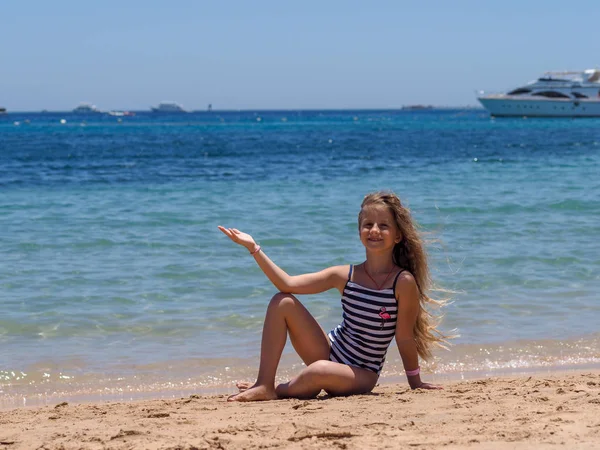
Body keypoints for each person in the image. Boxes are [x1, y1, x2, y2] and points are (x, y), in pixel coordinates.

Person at [218, 191, 450, 402]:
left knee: (318, 371)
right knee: (282, 301)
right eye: (368, 224)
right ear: (359, 231)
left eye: (384, 225)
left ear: (398, 235)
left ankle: (278, 390)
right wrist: (253, 248)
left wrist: (415, 382)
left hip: (362, 374)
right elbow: (286, 283)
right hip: (329, 351)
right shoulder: (345, 275)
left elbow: (405, 338)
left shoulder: (403, 282)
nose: (375, 230)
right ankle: (264, 384)